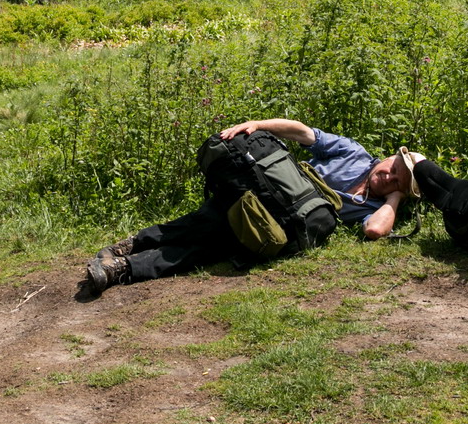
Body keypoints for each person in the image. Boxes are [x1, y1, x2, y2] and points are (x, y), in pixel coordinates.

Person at [84, 117, 423, 295]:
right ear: (389, 156)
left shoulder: (374, 207)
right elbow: (304, 133)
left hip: (279, 224)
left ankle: (124, 265)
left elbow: (375, 231)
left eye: (397, 181)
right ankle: (130, 250)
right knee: (212, 220)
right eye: (393, 169)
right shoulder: (354, 153)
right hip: (262, 192)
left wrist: (395, 198)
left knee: (216, 242)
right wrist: (258, 125)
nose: (389, 177)